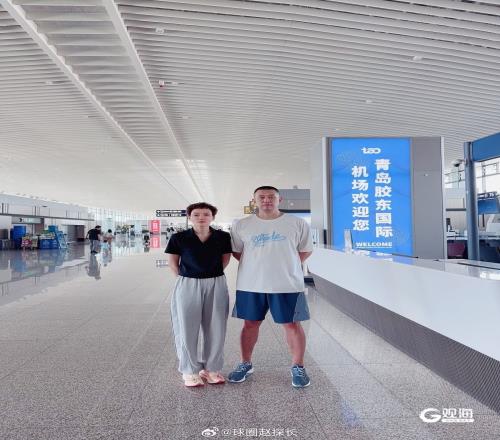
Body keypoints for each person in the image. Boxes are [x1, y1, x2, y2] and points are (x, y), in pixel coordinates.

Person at [228, 186, 313, 388]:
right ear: (254, 200)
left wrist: (286, 266)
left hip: (287, 285)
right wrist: (258, 265)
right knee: (250, 324)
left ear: (279, 199)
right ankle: (245, 363)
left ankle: (298, 367)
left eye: (271, 197)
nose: (266, 200)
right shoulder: (242, 225)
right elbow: (238, 252)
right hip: (250, 284)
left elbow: (305, 250)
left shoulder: (297, 223)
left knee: (292, 325)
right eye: (262, 197)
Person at [165, 202, 232, 387]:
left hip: (216, 282)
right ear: (189, 217)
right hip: (187, 282)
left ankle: (212, 369)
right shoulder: (179, 238)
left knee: (216, 326)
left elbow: (225, 259)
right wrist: (187, 278)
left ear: (213, 217)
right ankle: (189, 370)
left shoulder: (223, 237)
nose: (201, 217)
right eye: (196, 214)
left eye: (206, 214)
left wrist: (210, 274)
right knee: (186, 327)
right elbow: (173, 262)